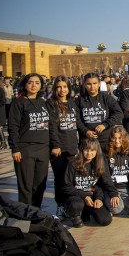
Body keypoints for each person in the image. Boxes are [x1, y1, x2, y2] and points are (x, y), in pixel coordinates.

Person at [8, 73, 50, 208]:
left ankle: (36, 212)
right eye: (30, 82)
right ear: (25, 85)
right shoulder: (18, 102)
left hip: (43, 148)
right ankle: (25, 214)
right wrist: (15, 148)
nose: (34, 85)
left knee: (40, 185)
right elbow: (13, 126)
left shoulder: (43, 102)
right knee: (26, 185)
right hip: (26, 149)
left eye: (37, 83)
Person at [62, 138, 118, 227]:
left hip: (92, 197)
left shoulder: (99, 165)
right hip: (76, 197)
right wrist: (84, 196)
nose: (89, 153)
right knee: (76, 204)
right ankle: (73, 214)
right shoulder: (73, 164)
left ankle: (87, 212)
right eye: (86, 150)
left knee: (105, 220)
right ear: (82, 150)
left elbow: (99, 186)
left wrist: (99, 198)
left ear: (97, 151)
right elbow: (66, 187)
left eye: (92, 150)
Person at [47, 75, 82, 208]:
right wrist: (55, 145)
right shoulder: (51, 103)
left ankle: (71, 205)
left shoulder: (73, 103)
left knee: (71, 178)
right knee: (60, 178)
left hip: (72, 147)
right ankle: (61, 205)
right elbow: (52, 126)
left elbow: (77, 122)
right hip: (59, 149)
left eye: (64, 87)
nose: (62, 90)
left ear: (69, 88)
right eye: (59, 87)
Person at [76, 73, 123, 147]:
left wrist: (105, 125)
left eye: (95, 83)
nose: (92, 87)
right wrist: (85, 131)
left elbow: (119, 114)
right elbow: (76, 119)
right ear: (85, 85)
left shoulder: (107, 98)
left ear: (99, 84)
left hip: (105, 141)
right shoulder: (79, 100)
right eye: (89, 84)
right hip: (87, 141)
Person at [105, 125, 129, 217]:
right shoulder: (106, 153)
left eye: (119, 138)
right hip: (112, 189)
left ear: (124, 138)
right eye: (114, 138)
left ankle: (123, 204)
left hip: (126, 189)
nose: (117, 141)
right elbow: (106, 177)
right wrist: (113, 194)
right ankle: (108, 203)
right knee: (116, 209)